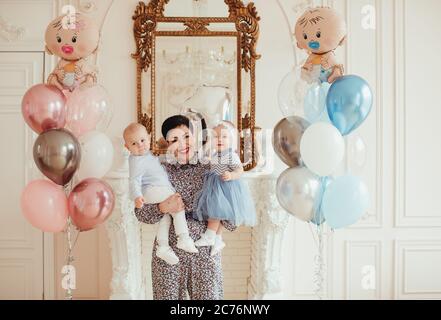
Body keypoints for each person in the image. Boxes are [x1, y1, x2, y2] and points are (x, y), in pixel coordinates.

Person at [134, 115, 236, 300]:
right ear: (167, 143)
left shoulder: (212, 166)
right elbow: (140, 213)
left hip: (204, 253)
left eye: (187, 136)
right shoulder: (158, 169)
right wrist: (162, 207)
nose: (182, 144)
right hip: (168, 255)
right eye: (174, 139)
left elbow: (232, 220)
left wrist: (222, 210)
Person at [193, 121, 256, 256]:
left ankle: (210, 235)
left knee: (215, 212)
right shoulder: (216, 154)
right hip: (214, 185)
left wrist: (231, 175)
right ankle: (218, 238)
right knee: (219, 214)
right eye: (216, 137)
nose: (220, 140)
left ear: (231, 140)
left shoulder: (231, 155)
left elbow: (240, 170)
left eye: (224, 137)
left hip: (225, 187)